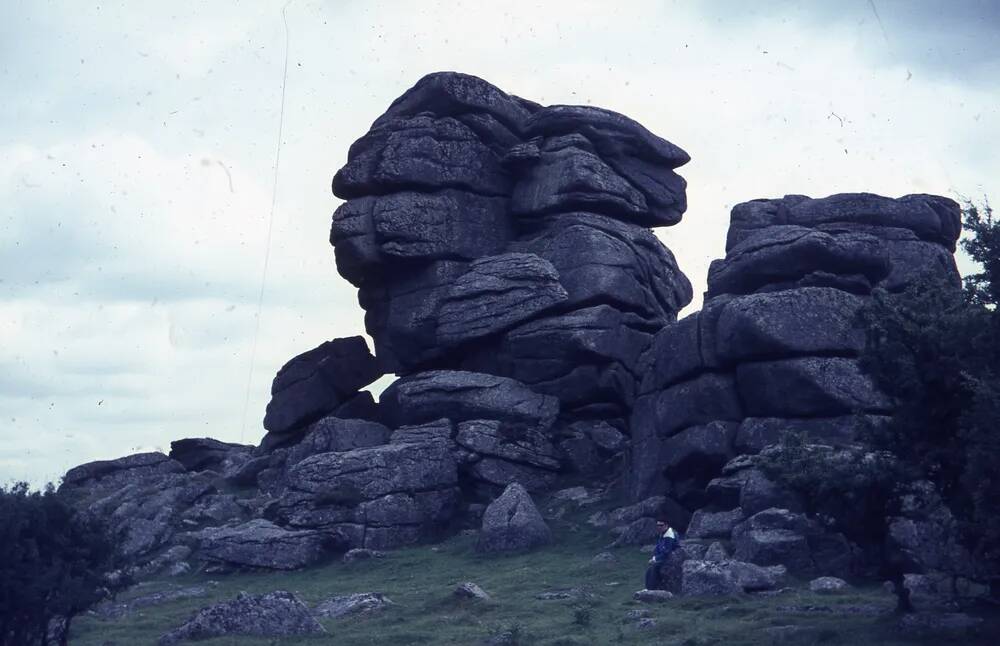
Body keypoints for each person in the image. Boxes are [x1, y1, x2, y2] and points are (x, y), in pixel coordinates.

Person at [644, 518, 679, 590]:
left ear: (666, 525)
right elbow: (658, 547)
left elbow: (667, 551)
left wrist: (655, 559)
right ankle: (648, 588)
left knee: (654, 568)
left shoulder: (669, 536)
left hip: (671, 557)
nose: (659, 527)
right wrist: (654, 557)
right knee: (648, 571)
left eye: (661, 525)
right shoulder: (663, 533)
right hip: (665, 556)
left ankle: (652, 589)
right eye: (658, 525)